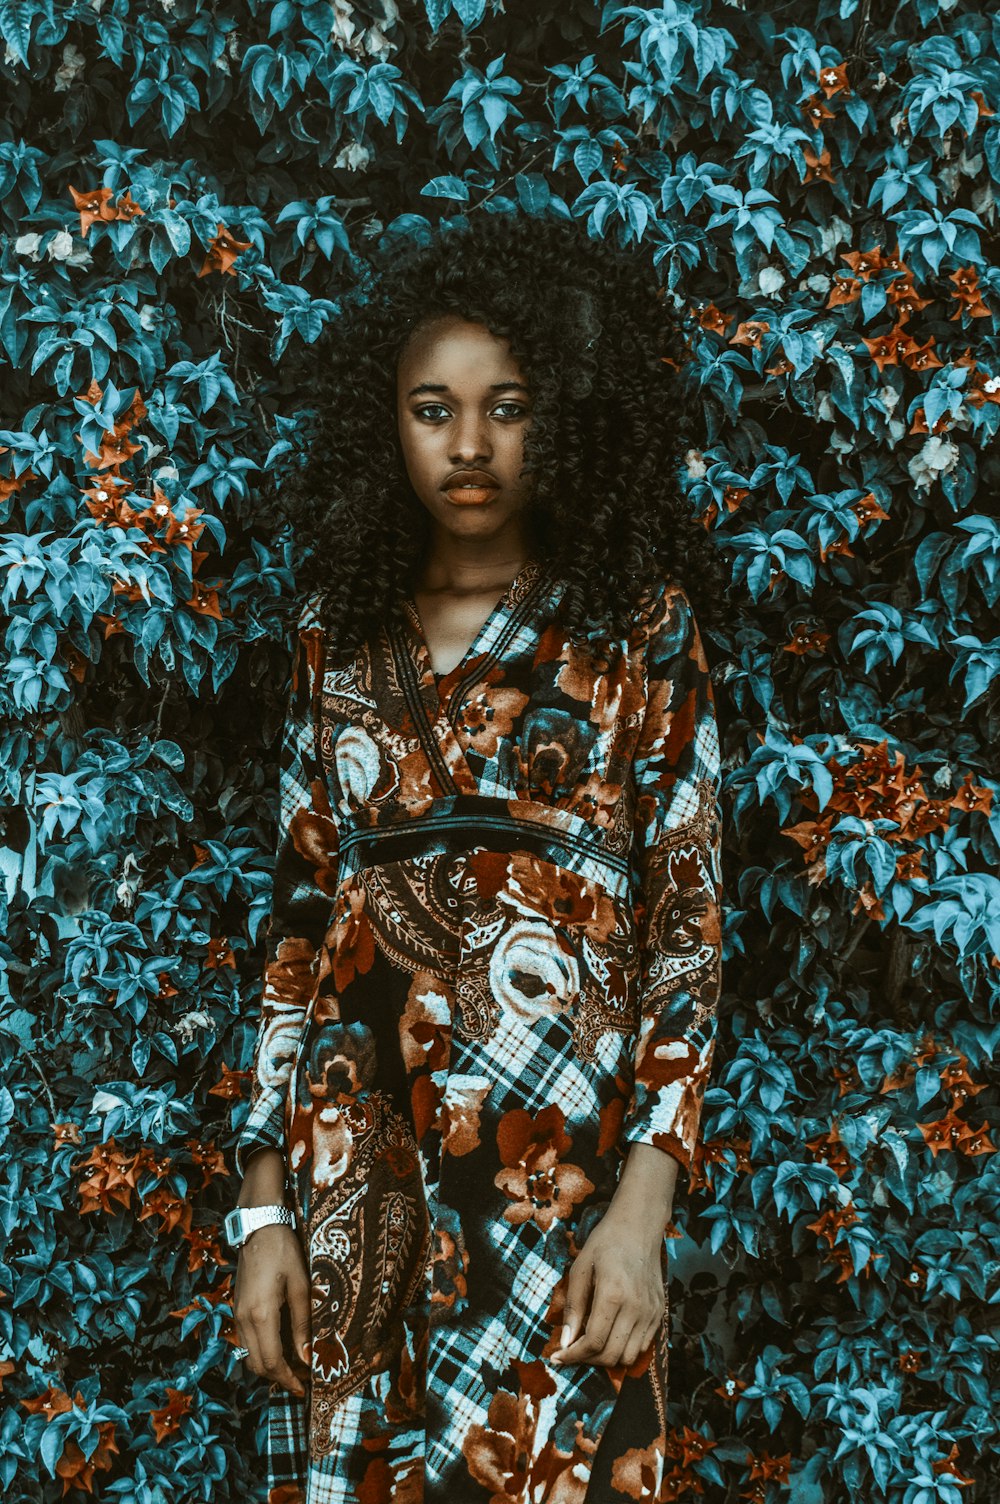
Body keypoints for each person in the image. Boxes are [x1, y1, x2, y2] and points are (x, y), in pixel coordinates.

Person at [229, 212, 725, 1503]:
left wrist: (643, 1216)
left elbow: (688, 935)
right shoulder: (334, 645)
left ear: (555, 418)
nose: (467, 444)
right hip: (355, 1196)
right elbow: (292, 936)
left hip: (561, 1199)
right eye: (432, 408)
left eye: (505, 407)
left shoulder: (635, 636)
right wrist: (264, 1213)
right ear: (382, 425)